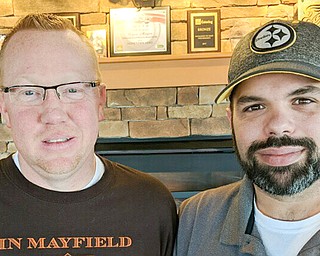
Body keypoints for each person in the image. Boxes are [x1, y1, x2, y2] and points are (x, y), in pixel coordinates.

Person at [0, 13, 177, 255]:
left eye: (72, 89)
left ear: (100, 102)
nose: (54, 114)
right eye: (29, 92)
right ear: (4, 108)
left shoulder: (151, 203)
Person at [175, 19, 320, 256]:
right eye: (254, 107)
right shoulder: (195, 217)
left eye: (303, 101)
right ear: (231, 119)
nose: (278, 126)